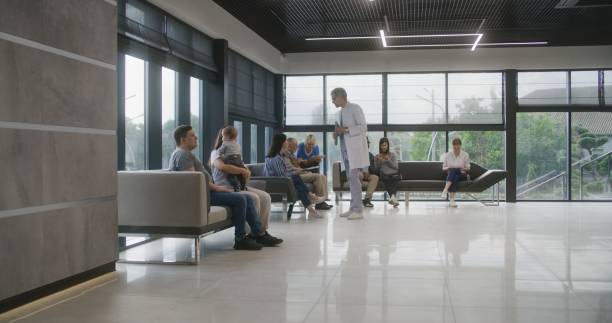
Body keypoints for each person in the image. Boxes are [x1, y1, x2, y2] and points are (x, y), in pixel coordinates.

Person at [168, 125, 280, 250]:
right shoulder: (183, 155)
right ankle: (240, 239)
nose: (196, 137)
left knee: (246, 198)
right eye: (192, 136)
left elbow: (196, 179)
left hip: (206, 192)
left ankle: (258, 234)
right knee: (241, 199)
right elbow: (193, 181)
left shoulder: (183, 154)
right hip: (203, 195)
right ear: (183, 139)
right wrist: (216, 188)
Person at [210, 127, 282, 244]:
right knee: (254, 198)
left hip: (239, 187)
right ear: (222, 138)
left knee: (265, 197)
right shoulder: (216, 153)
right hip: (226, 187)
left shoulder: (235, 152)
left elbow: (242, 169)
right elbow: (222, 167)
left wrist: (245, 172)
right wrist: (241, 171)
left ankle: (262, 232)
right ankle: (253, 234)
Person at [264, 133, 326, 218]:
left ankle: (311, 209)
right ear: (282, 143)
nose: (287, 143)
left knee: (299, 186)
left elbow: (287, 170)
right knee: (295, 177)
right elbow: (282, 176)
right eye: (286, 141)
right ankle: (311, 198)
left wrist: (296, 170)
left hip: (281, 181)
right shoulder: (276, 158)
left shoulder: (280, 155)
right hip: (275, 183)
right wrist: (296, 172)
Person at [331, 87, 370, 220]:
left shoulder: (355, 108)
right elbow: (342, 130)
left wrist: (345, 129)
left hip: (355, 149)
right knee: (350, 178)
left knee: (354, 178)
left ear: (342, 97)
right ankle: (353, 207)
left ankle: (358, 210)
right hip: (345, 148)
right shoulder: (340, 112)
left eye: (333, 98)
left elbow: (363, 127)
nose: (332, 101)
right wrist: (336, 133)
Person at [283, 138, 333, 210]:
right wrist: (302, 170)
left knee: (323, 176)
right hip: (296, 175)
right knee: (318, 177)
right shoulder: (286, 155)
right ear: (289, 145)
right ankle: (319, 204)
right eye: (295, 145)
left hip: (300, 172)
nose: (297, 147)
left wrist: (302, 167)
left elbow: (296, 165)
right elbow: (291, 169)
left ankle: (323, 200)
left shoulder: (292, 154)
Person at [442, 137, 471, 207]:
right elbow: (443, 168)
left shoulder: (465, 155)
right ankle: (452, 200)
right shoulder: (447, 155)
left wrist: (462, 168)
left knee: (455, 171)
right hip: (452, 175)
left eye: (458, 148)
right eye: (455, 148)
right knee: (454, 174)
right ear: (452, 146)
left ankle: (445, 189)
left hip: (462, 173)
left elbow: (468, 168)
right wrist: (448, 168)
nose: (456, 150)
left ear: (460, 146)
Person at [217, 126, 247, 191]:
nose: (222, 138)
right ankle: (243, 185)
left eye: (223, 136)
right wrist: (241, 162)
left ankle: (236, 186)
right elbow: (240, 154)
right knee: (240, 175)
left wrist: (219, 153)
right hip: (239, 160)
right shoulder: (237, 144)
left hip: (231, 160)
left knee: (230, 175)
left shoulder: (225, 143)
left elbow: (220, 151)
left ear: (227, 137)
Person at [375, 137, 400, 207]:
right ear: (380, 146)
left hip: (394, 174)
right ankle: (393, 198)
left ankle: (392, 198)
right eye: (382, 145)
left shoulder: (393, 155)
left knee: (394, 178)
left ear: (388, 145)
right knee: (386, 178)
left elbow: (396, 167)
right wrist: (379, 162)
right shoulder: (377, 156)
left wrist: (388, 160)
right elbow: (376, 169)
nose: (383, 147)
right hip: (384, 175)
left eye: (385, 145)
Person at [359, 137, 379, 208]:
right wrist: (362, 171)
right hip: (359, 173)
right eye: (365, 143)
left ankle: (367, 199)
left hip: (368, 174)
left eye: (367, 143)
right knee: (359, 175)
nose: (367, 144)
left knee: (375, 177)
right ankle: (357, 199)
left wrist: (370, 172)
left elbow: (374, 169)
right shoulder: (356, 155)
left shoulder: (370, 155)